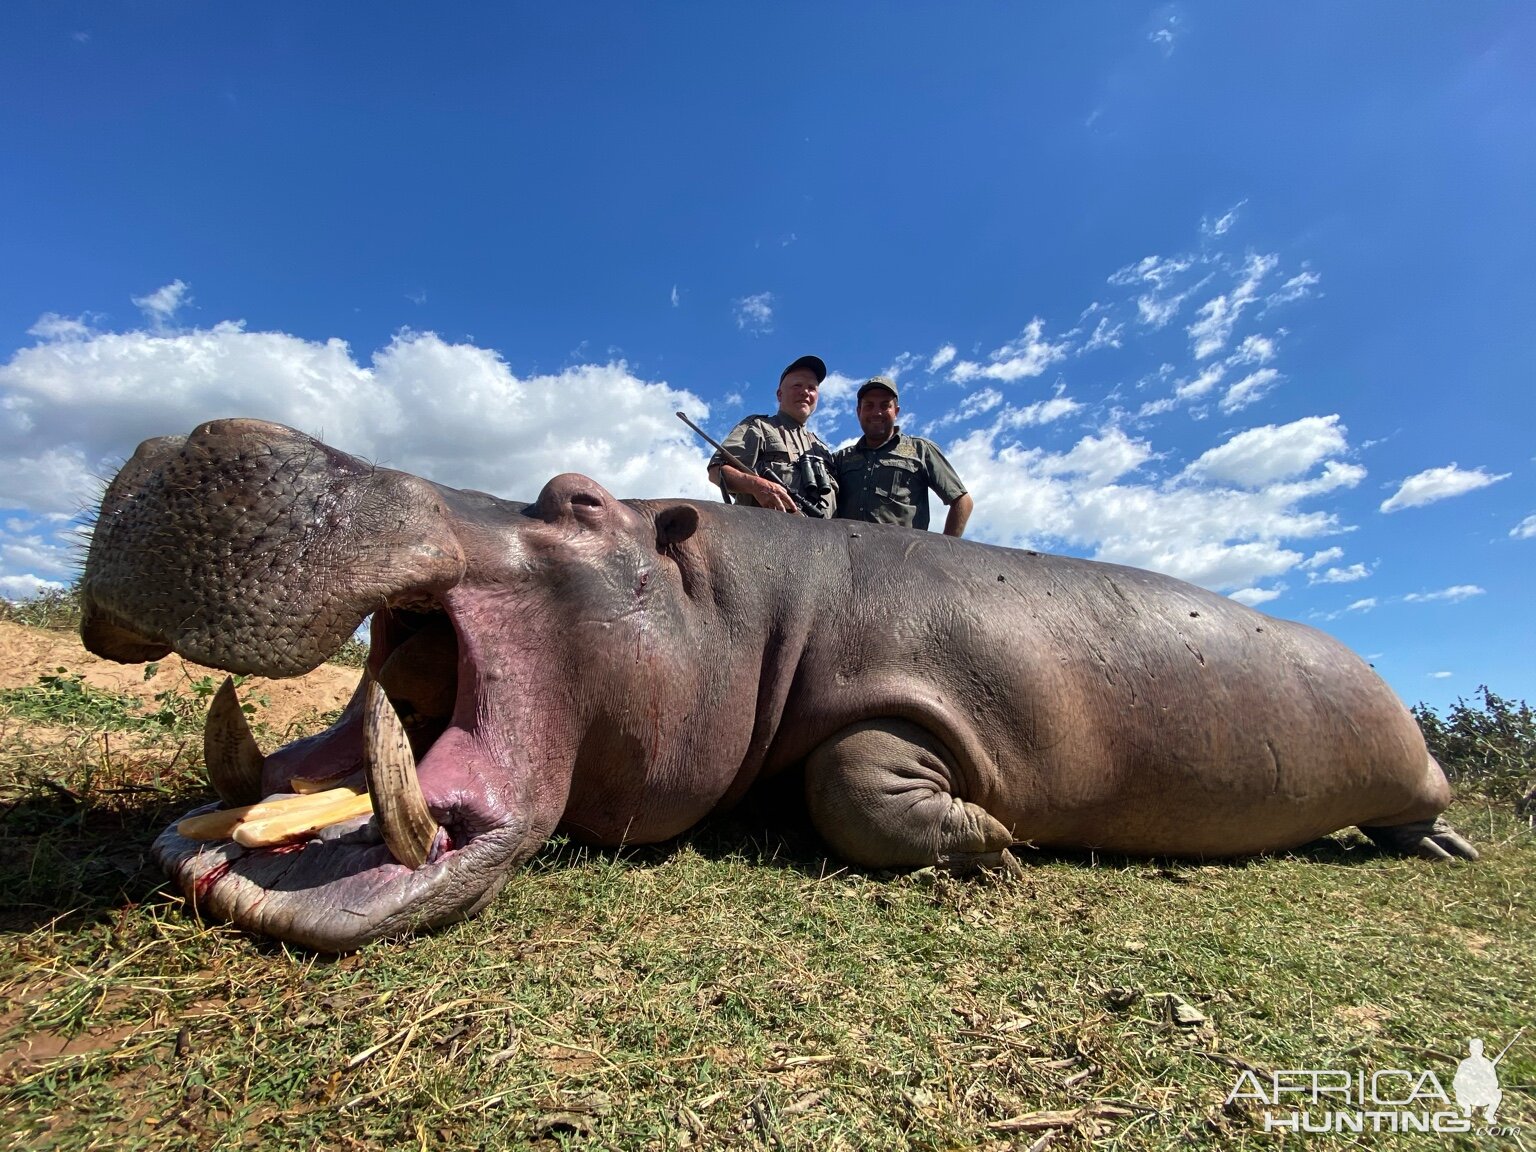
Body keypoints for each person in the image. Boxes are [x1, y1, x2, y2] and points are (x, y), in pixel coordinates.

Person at [834, 376, 973, 536]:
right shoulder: (840, 459)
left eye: (885, 405)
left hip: (903, 557)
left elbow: (963, 501)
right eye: (869, 405)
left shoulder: (921, 450)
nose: (877, 412)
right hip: (849, 556)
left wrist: (945, 550)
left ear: (896, 412)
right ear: (859, 412)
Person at [707, 354, 838, 517]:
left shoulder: (822, 449)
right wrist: (757, 485)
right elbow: (716, 471)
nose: (805, 392)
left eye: (812, 388)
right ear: (779, 394)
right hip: (765, 536)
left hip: (824, 538)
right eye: (797, 385)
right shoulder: (758, 426)